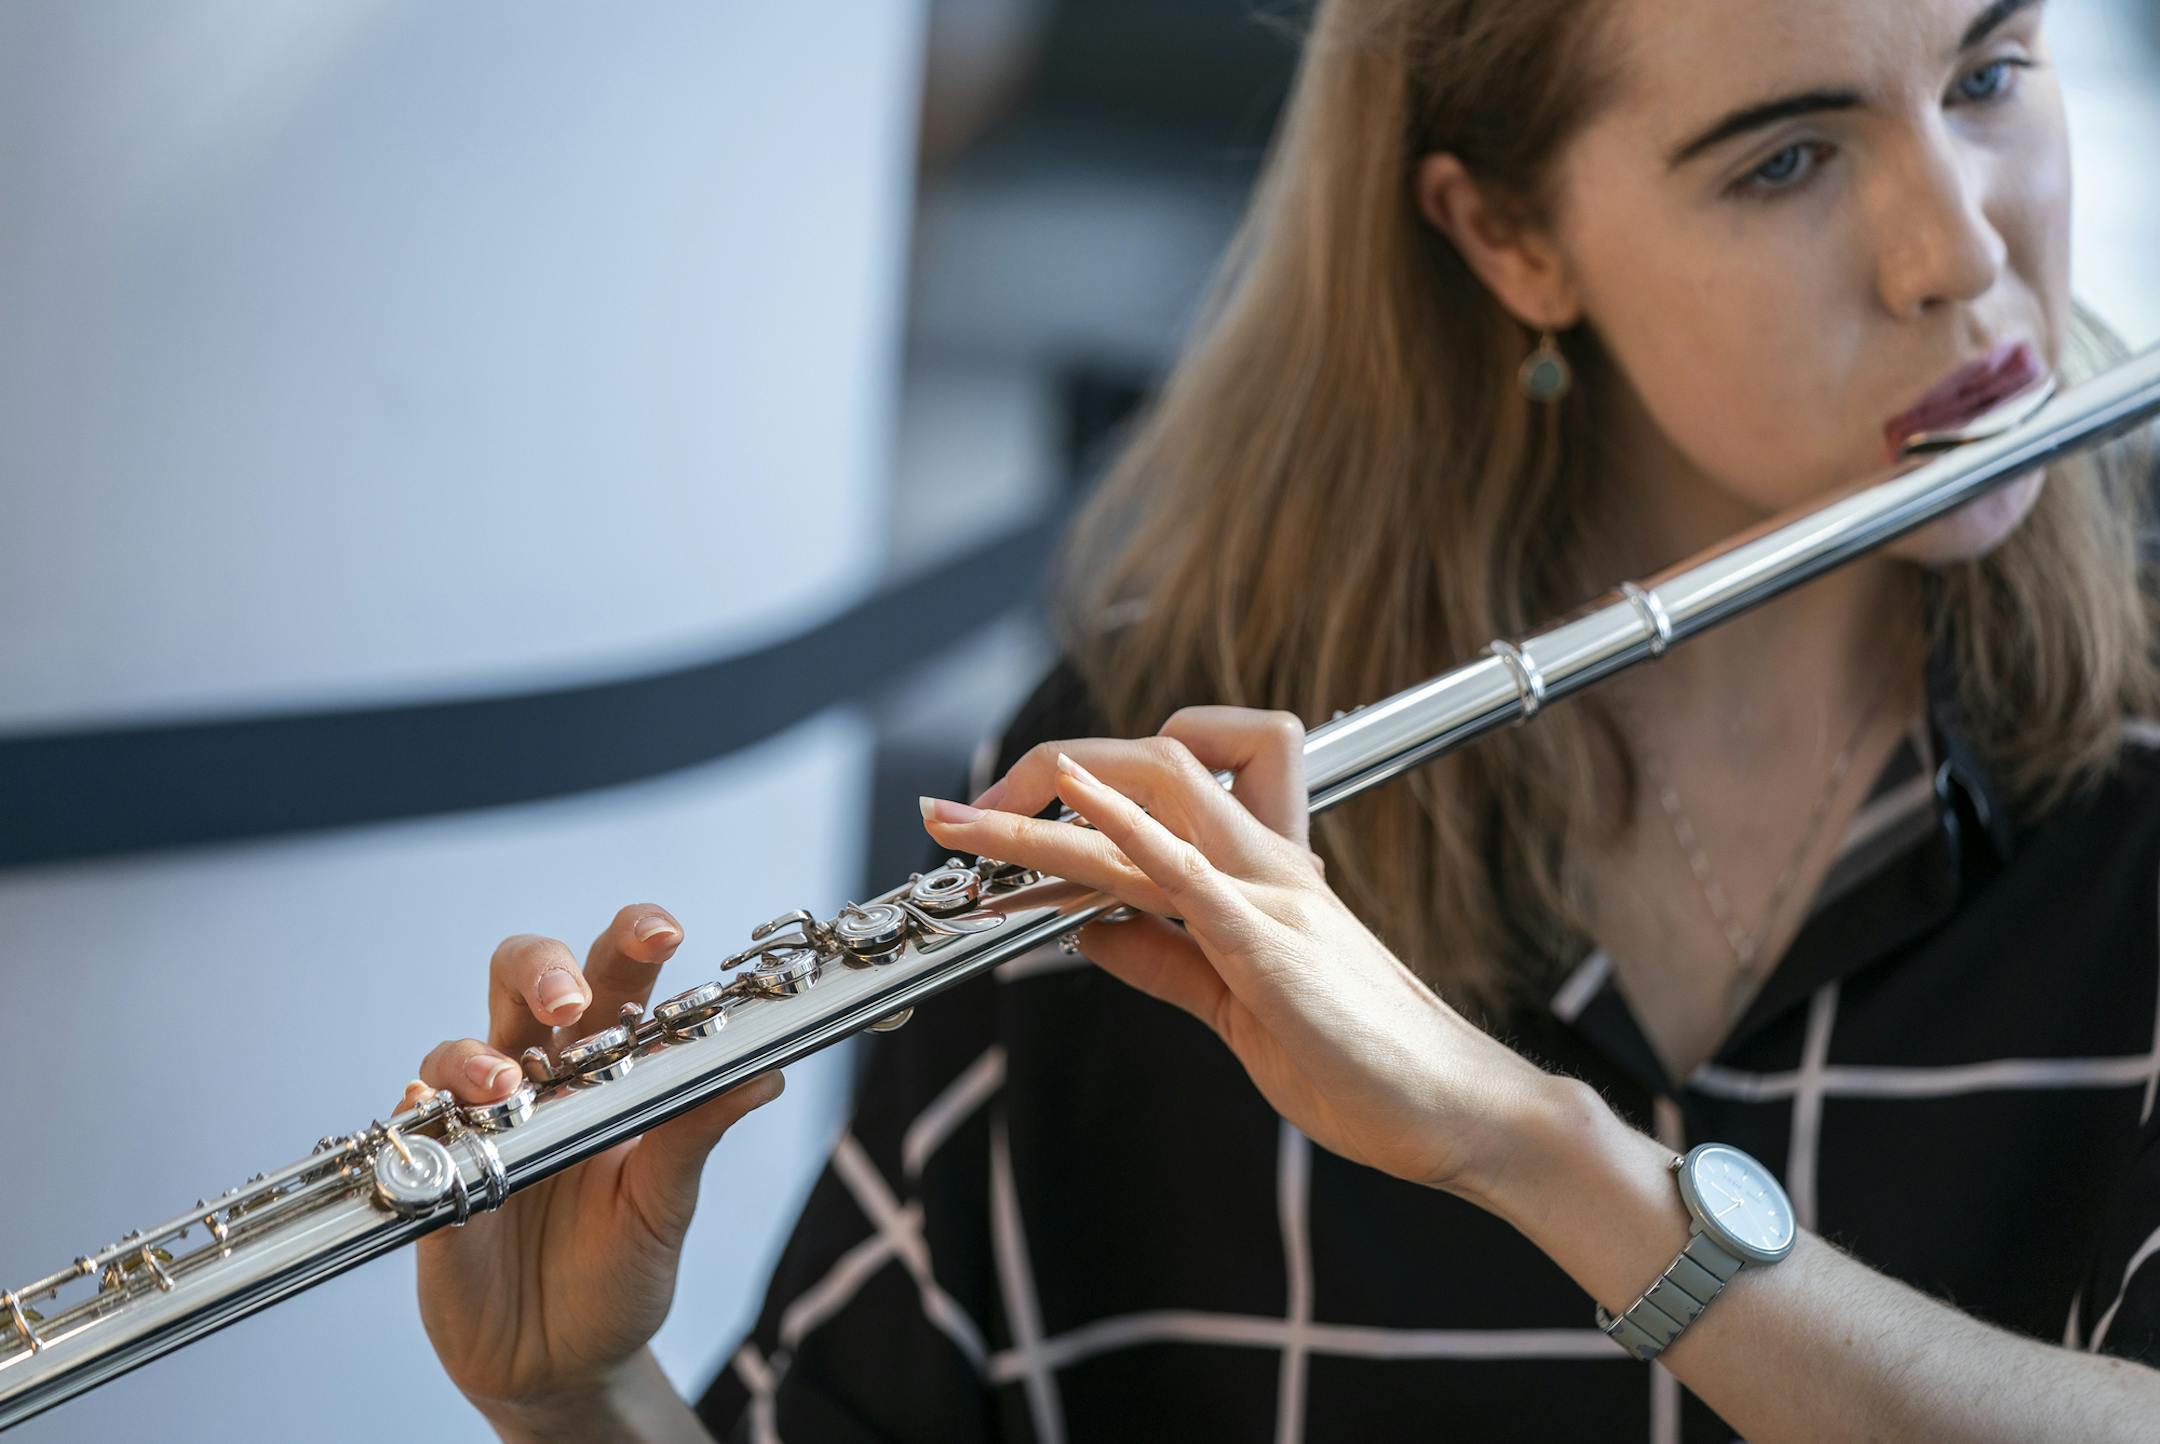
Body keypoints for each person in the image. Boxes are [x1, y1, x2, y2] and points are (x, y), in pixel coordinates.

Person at [409, 0, 2160, 1437]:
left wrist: (1530, 1144)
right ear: (1507, 235)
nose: (1957, 247)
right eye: (1786, 158)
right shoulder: (1169, 805)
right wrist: (580, 1404)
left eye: (1992, 70)